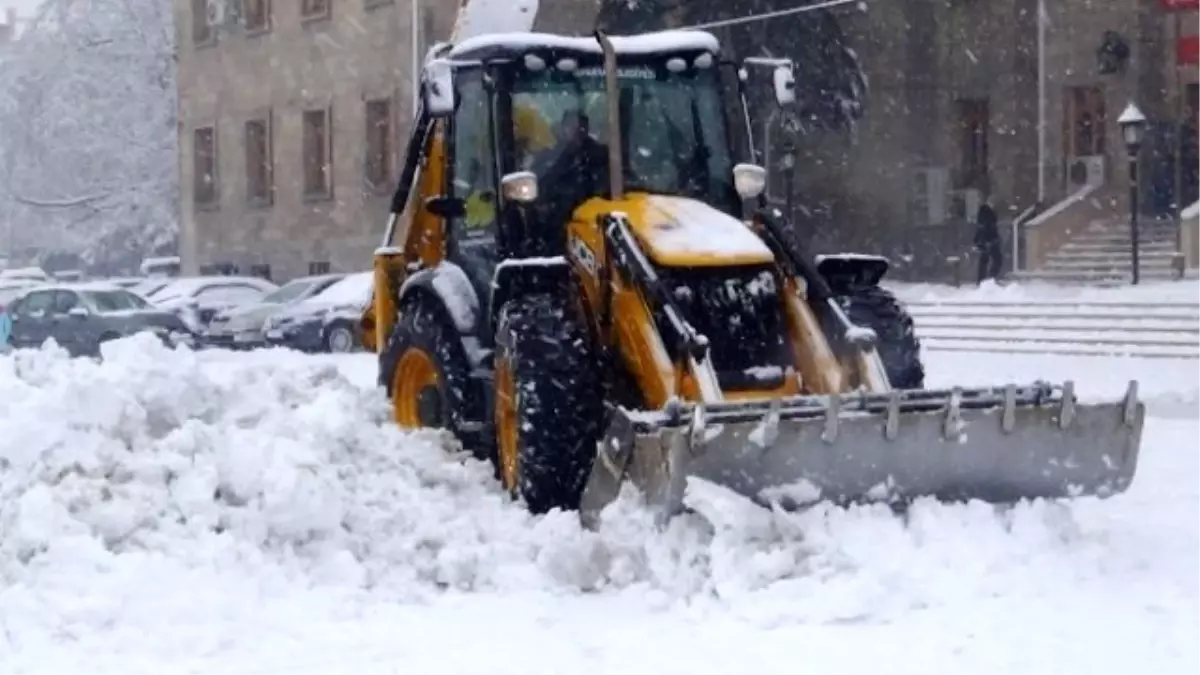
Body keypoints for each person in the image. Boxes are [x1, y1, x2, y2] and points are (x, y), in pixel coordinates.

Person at [974, 198, 1002, 284]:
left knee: (986, 260)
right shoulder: (986, 212)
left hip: (988, 240)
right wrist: (985, 240)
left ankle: (984, 279)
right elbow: (985, 227)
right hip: (988, 240)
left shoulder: (986, 212)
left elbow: (985, 227)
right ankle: (988, 279)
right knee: (995, 259)